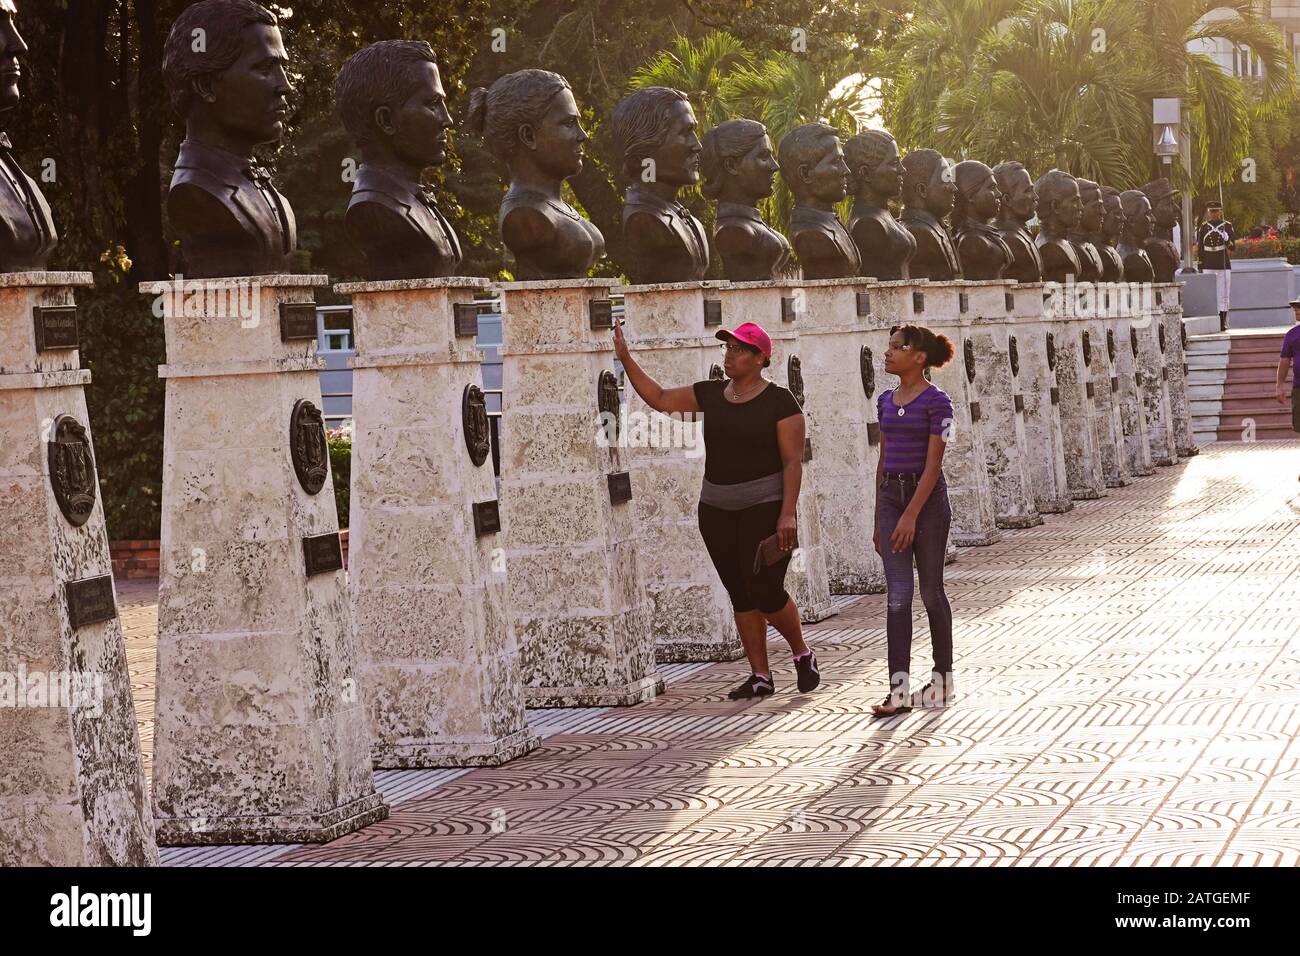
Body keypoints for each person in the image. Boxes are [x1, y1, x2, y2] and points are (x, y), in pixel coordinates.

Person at [612, 317, 821, 700]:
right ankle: (760, 676)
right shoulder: (710, 394)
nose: (730, 355)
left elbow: (793, 461)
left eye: (740, 349)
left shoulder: (780, 401)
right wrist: (625, 357)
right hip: (716, 509)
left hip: (766, 504)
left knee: (765, 590)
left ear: (760, 358)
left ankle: (801, 653)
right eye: (728, 347)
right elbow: (659, 398)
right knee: (739, 593)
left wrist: (787, 513)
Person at [870, 324, 957, 717]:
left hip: (927, 504)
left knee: (930, 592)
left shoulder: (940, 403)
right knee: (898, 595)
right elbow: (883, 461)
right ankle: (899, 691)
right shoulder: (885, 401)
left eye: (896, 347)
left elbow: (934, 467)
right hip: (891, 498)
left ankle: (941, 680)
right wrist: (880, 519)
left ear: (918, 357)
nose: (887, 354)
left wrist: (910, 515)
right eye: (887, 347)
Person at [1193, 201, 1236, 332]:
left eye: (1216, 211)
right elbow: (1200, 248)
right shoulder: (1204, 227)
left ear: (1220, 212)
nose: (1214, 214)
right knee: (1211, 294)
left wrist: (1227, 239)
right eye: (1211, 211)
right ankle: (1212, 320)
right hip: (1209, 263)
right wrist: (1200, 264)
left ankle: (1222, 321)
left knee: (1224, 294)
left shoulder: (1227, 226)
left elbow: (1233, 247)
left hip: (1223, 263)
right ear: (1208, 212)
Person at [1279, 300, 1300, 479]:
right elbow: (1285, 361)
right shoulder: (1292, 335)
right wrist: (1279, 385)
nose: (1297, 311)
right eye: (1296, 308)